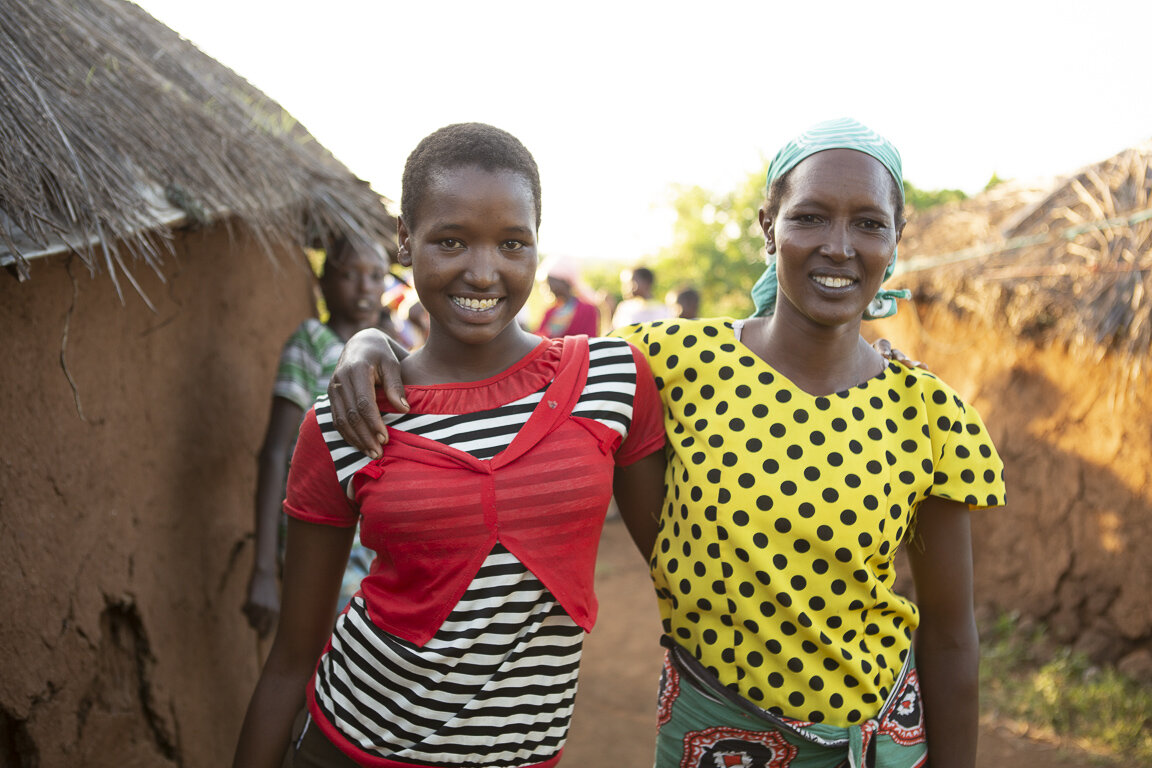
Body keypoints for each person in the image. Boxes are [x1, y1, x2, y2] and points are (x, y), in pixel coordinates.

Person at [325, 118, 1006, 768]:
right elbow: (504, 364)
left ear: (896, 239)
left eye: (868, 224)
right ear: (770, 226)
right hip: (711, 733)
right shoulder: (669, 361)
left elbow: (949, 638)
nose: (838, 245)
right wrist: (369, 341)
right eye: (809, 216)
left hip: (881, 741)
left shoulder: (930, 414)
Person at [232, 123, 667, 768]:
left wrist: (871, 366)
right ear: (406, 241)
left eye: (512, 242)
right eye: (451, 240)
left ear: (537, 246)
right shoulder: (350, 415)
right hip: (350, 745)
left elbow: (685, 567)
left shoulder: (608, 381)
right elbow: (291, 660)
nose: (484, 271)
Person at [242, 238, 389, 639]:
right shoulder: (311, 343)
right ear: (323, 284)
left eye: (376, 276)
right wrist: (264, 570)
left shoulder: (392, 358)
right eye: (349, 275)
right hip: (318, 535)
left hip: (375, 544)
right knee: (331, 659)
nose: (365, 288)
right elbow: (275, 454)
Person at [535, 255, 599, 337]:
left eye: (551, 282)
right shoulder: (551, 311)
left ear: (564, 282)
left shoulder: (587, 310)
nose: (549, 287)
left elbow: (590, 341)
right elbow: (538, 337)